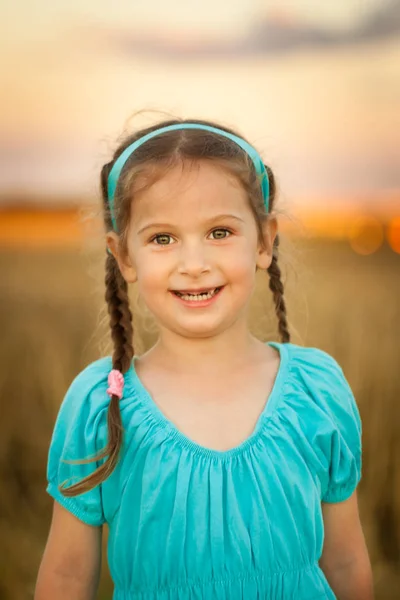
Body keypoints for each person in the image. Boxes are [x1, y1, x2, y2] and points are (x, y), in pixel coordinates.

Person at [35, 118, 374, 600]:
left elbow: (344, 559)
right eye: (162, 239)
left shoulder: (318, 391)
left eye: (219, 232)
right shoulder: (98, 406)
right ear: (123, 256)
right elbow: (66, 578)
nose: (193, 263)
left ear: (264, 240)